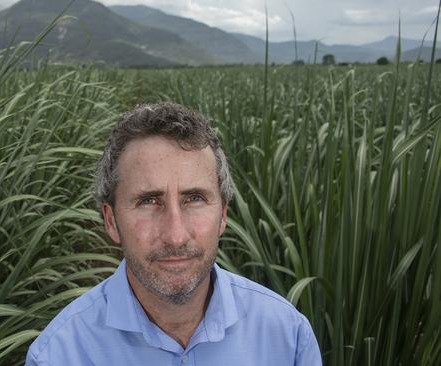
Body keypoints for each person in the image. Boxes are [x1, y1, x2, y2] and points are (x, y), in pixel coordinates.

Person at [25, 102, 322, 365]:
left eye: (194, 198)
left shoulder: (289, 338)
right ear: (111, 221)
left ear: (223, 215)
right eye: (148, 201)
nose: (176, 236)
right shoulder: (58, 355)